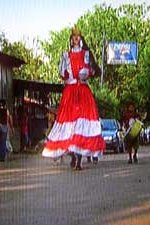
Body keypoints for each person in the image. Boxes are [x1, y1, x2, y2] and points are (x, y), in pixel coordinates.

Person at [42, 27, 105, 170]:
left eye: (78, 37)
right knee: (69, 126)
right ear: (71, 39)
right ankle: (73, 155)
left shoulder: (86, 54)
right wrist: (67, 75)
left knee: (81, 126)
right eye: (74, 37)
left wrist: (88, 72)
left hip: (83, 91)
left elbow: (92, 70)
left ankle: (78, 159)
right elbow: (62, 74)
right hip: (70, 92)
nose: (76, 39)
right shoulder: (65, 55)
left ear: (81, 39)